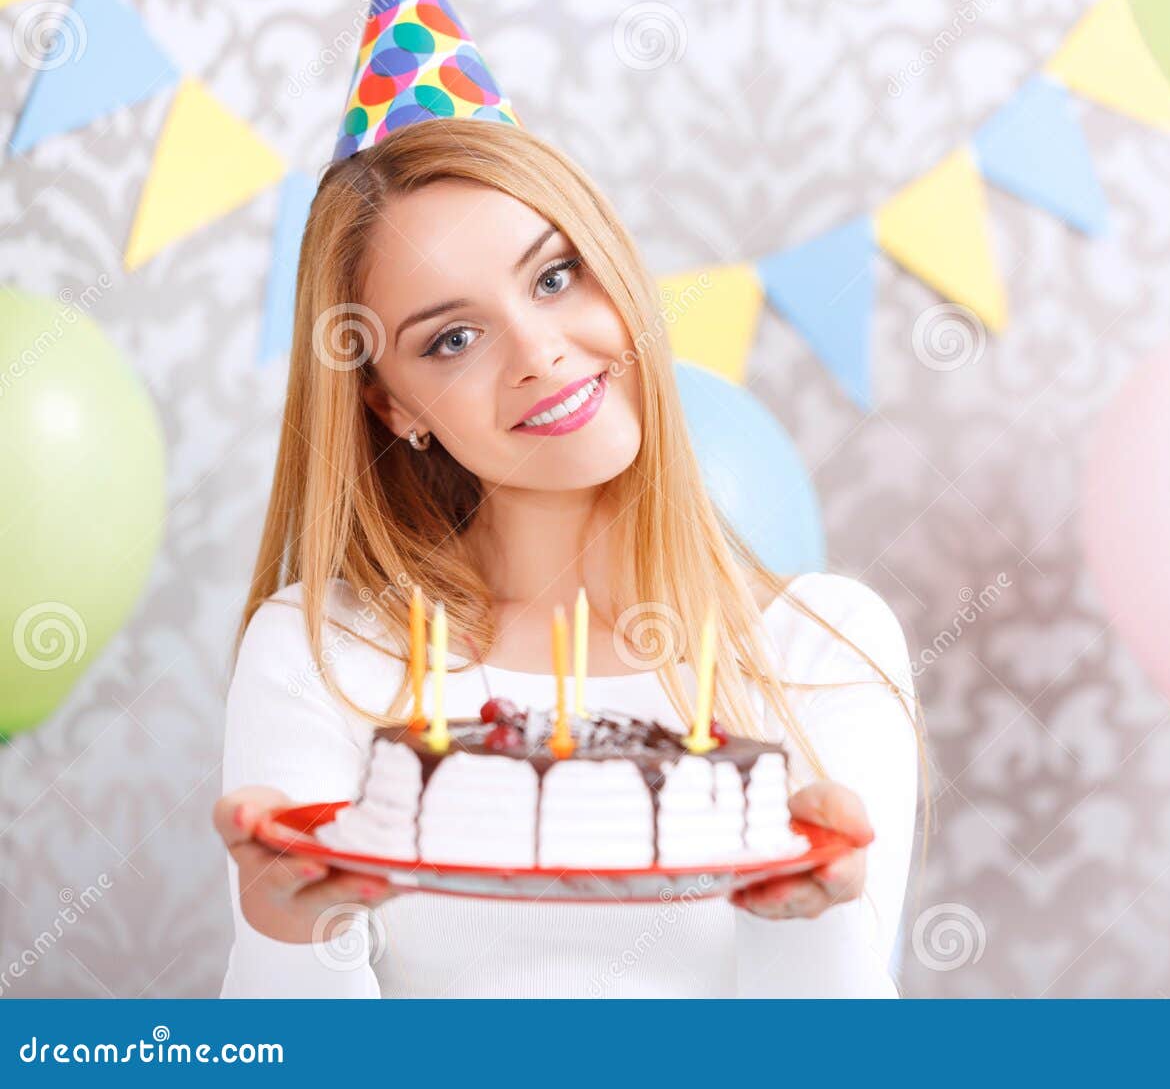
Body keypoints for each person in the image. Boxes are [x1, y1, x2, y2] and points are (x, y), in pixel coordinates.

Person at [211, 112, 925, 996]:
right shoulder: (324, 652)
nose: (540, 353)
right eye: (453, 339)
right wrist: (286, 934)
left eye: (555, 277)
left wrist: (813, 923)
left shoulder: (824, 648)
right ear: (395, 408)